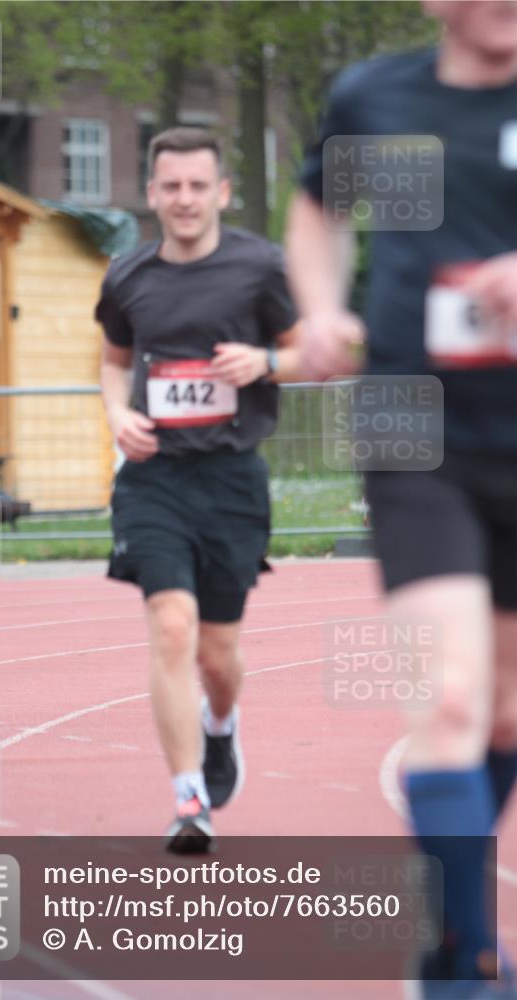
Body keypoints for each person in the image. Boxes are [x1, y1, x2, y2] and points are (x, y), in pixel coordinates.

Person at [287, 1, 517, 995]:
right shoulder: (377, 98)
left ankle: (444, 887)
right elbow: (317, 209)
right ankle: (463, 958)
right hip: (411, 423)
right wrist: (322, 306)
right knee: (452, 697)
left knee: (502, 716)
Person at [96, 127, 300, 853]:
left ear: (220, 192)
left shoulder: (260, 268)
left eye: (196, 186)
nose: (183, 200)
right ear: (151, 194)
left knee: (217, 652)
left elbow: (317, 350)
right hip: (154, 479)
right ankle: (188, 801)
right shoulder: (126, 275)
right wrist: (117, 412)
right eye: (169, 187)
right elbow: (114, 362)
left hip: (231, 479)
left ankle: (220, 730)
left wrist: (269, 359)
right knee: (171, 629)